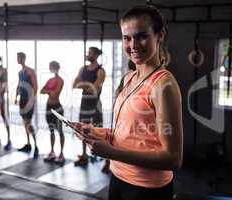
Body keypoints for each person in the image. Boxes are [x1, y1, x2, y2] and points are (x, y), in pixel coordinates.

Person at [72, 5, 183, 200]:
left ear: (160, 35)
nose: (133, 45)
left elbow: (173, 159)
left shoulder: (163, 85)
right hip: (118, 177)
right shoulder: (129, 77)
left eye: (141, 36)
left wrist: (112, 153)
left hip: (146, 188)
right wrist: (97, 132)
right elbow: (130, 134)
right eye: (127, 38)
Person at [73, 47, 106, 166]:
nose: (88, 55)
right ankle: (84, 155)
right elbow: (74, 84)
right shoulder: (83, 69)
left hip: (95, 104)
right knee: (83, 129)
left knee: (98, 131)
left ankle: (105, 158)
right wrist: (88, 86)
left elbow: (94, 89)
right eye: (87, 53)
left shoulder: (100, 71)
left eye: (90, 53)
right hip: (84, 103)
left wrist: (85, 85)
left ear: (96, 55)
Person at [102, 59, 136, 174]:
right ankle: (108, 162)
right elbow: (118, 94)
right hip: (121, 116)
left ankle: (108, 162)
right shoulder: (128, 77)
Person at [41, 61, 65, 164]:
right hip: (49, 107)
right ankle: (52, 151)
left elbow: (55, 94)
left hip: (57, 107)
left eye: (51, 67)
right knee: (51, 130)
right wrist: (50, 91)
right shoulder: (50, 80)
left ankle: (61, 153)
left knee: (60, 131)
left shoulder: (60, 80)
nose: (50, 68)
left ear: (55, 67)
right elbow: (41, 90)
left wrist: (48, 91)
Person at [15, 52, 38, 158]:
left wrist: (31, 100)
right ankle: (28, 144)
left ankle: (36, 145)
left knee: (28, 123)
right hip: (22, 100)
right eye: (17, 58)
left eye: (18, 58)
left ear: (23, 58)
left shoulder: (30, 71)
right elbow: (19, 84)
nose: (17, 59)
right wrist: (16, 97)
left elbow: (35, 86)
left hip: (29, 100)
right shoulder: (20, 72)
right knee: (25, 122)